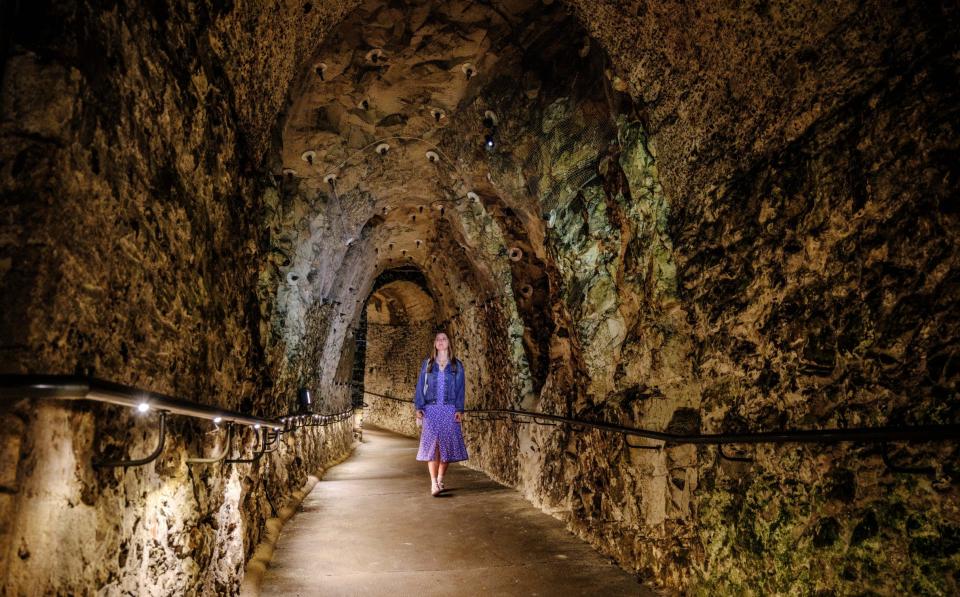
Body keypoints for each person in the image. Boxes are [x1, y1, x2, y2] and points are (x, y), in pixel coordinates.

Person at [414, 331, 468, 496]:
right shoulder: (428, 364)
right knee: (433, 446)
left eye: (444, 339)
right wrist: (419, 407)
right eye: (438, 339)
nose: (441, 341)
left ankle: (440, 479)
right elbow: (420, 387)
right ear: (435, 344)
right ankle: (433, 484)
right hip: (431, 410)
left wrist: (459, 409)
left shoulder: (456, 365)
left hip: (449, 409)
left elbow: (460, 389)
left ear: (449, 343)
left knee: (446, 447)